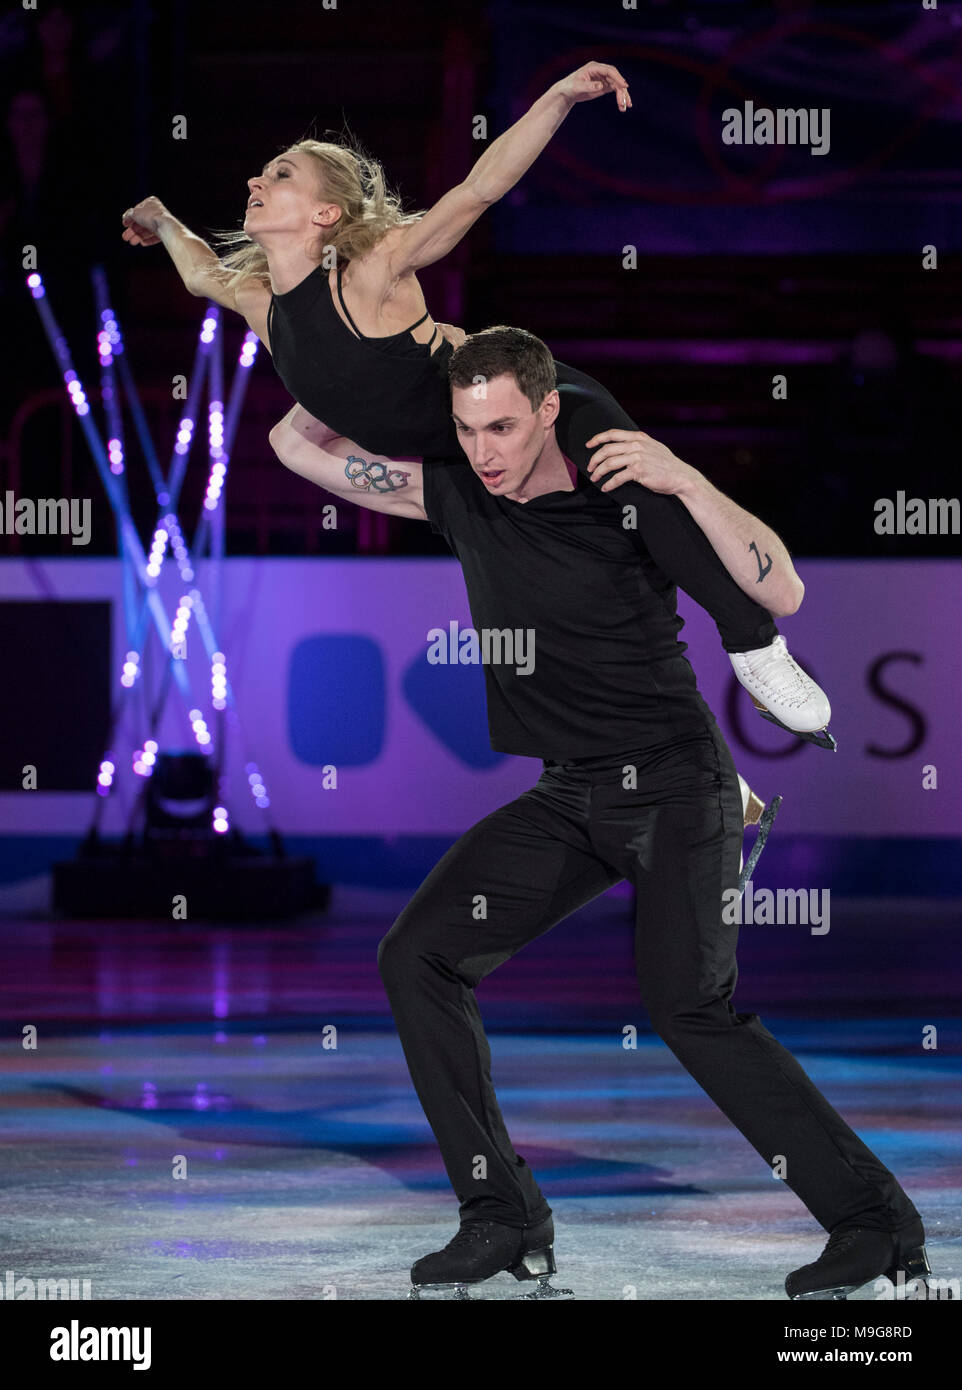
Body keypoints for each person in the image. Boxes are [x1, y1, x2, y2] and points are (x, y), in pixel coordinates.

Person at [267, 324, 929, 1302]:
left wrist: (686, 477)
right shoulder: (458, 493)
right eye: (465, 426)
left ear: (547, 410)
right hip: (571, 794)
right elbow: (295, 447)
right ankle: (503, 1216)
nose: (484, 449)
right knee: (418, 955)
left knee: (688, 1009)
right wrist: (341, 341)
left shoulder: (628, 498)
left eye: (501, 425)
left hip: (674, 787)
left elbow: (777, 584)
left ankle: (876, 1225)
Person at [120, 61, 833, 748]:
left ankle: (755, 647)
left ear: (326, 211)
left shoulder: (370, 272)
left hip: (528, 401)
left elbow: (479, 187)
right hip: (466, 459)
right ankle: (664, 746)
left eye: (280, 174)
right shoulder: (258, 302)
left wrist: (557, 97)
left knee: (634, 483)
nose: (256, 178)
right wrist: (160, 217)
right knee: (301, 450)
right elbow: (200, 271)